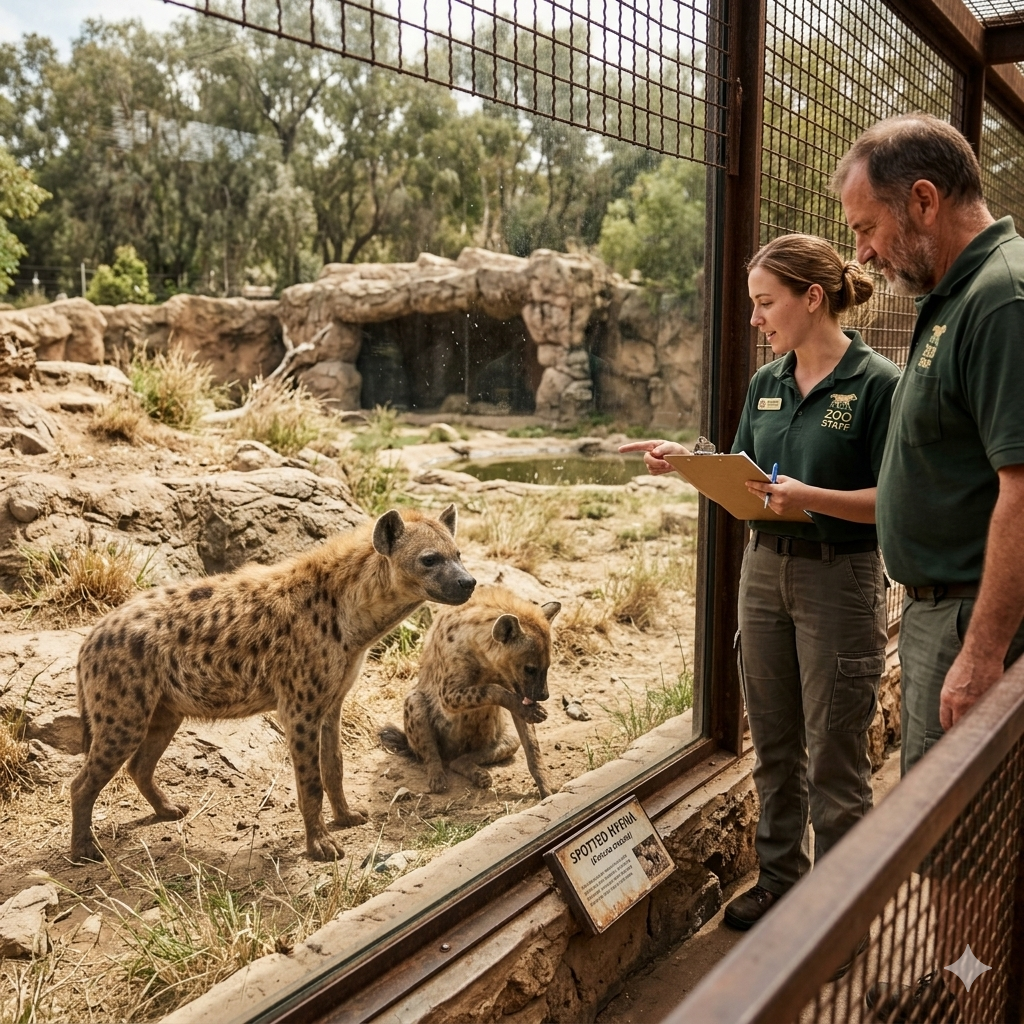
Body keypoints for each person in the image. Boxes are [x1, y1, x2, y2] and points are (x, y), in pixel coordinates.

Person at [621, 234, 900, 937]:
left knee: (835, 760)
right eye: (751, 304)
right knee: (774, 746)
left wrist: (811, 497)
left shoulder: (878, 384)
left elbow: (896, 501)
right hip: (765, 570)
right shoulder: (766, 383)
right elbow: (746, 472)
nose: (754, 319)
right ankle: (781, 885)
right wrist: (688, 460)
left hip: (840, 577)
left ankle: (839, 920)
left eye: (765, 303)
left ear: (813, 298)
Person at [833, 112, 1024, 1022]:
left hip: (971, 618)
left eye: (867, 228)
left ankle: (969, 1001)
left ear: (922, 200)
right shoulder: (955, 294)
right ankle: (960, 982)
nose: (862, 255)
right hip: (942, 609)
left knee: (964, 834)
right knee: (954, 832)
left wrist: (981, 652)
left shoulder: (1001, 298)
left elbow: (1023, 490)